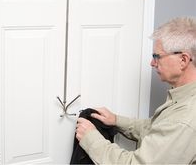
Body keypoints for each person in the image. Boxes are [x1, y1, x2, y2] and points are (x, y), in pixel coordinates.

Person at [76, 16, 196, 164]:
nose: (152, 63)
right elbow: (157, 128)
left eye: (157, 56)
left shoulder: (184, 119)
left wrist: (91, 139)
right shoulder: (184, 98)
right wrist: (117, 120)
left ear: (183, 60)